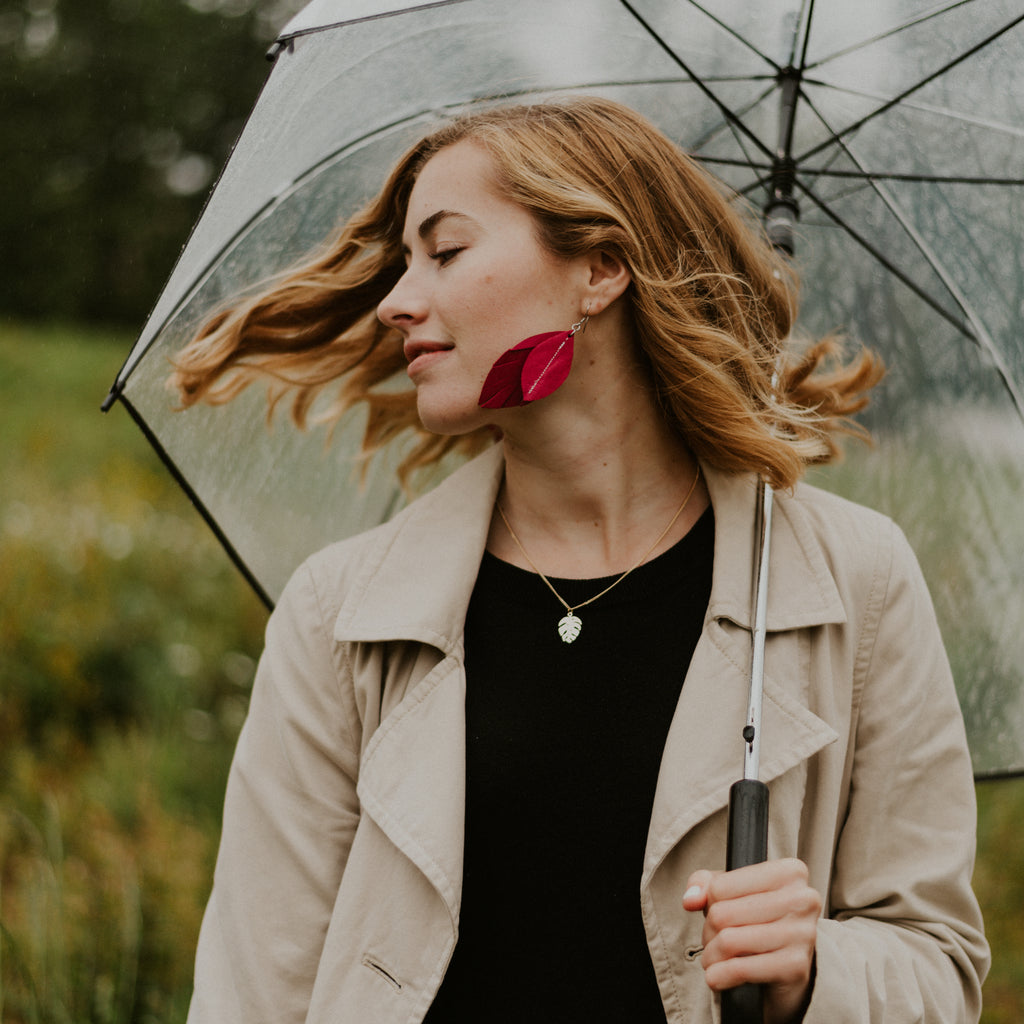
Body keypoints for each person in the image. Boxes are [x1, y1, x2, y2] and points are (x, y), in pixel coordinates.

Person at [173, 97, 988, 1023]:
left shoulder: (855, 584)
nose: (399, 299)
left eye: (444, 252)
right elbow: (252, 988)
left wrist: (815, 970)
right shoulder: (340, 614)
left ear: (598, 270)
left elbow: (939, 969)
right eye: (405, 262)